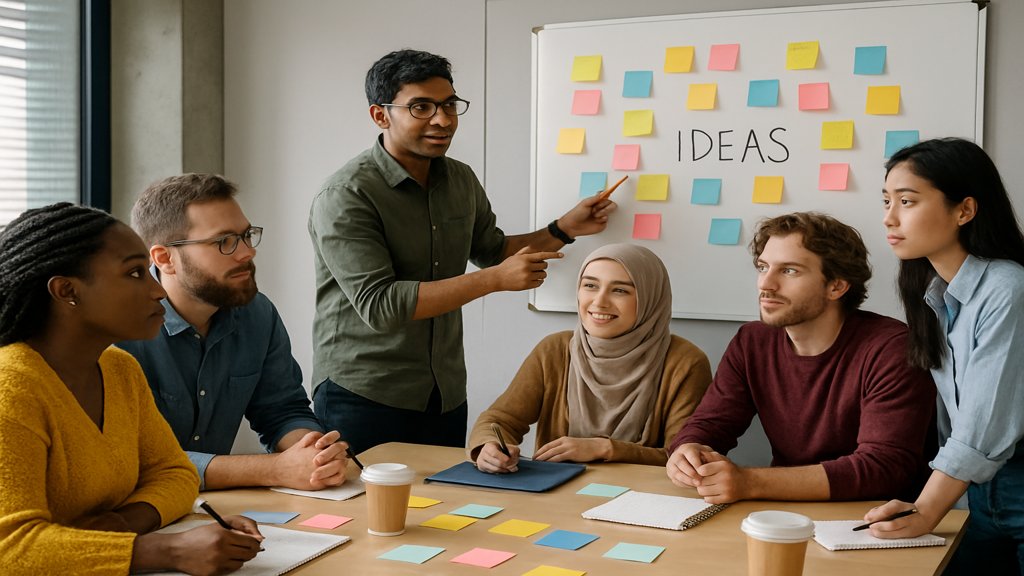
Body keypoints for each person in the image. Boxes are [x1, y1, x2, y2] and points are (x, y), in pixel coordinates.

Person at [308, 49, 617, 452]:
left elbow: (492, 250)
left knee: (442, 513)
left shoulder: (459, 178)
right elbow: (381, 305)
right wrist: (493, 281)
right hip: (363, 393)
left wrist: (563, 228)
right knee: (364, 514)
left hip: (444, 392)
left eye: (449, 104)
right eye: (421, 107)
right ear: (381, 116)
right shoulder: (346, 195)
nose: (442, 119)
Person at [0, 203, 263, 575]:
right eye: (136, 273)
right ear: (66, 291)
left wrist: (116, 530)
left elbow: (176, 474)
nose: (158, 291)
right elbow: (10, 550)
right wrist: (165, 551)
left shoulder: (118, 368)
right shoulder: (10, 387)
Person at [665, 212, 936, 504]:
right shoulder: (751, 342)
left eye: (789, 271)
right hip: (783, 509)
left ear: (836, 286)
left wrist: (750, 482)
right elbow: (711, 424)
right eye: (763, 267)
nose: (766, 284)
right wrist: (687, 449)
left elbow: (884, 467)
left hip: (876, 519)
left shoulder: (891, 348)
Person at [119, 174, 348, 491]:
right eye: (223, 242)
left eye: (246, 236)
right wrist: (274, 470)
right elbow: (130, 460)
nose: (246, 253)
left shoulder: (257, 314)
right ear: (164, 258)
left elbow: (281, 410)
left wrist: (311, 452)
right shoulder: (117, 334)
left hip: (217, 512)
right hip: (134, 518)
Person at [864, 138, 1024, 574]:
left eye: (907, 201)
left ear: (964, 210)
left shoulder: (1007, 288)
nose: (889, 217)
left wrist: (925, 509)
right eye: (886, 201)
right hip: (976, 493)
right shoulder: (936, 295)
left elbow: (982, 424)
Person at [469, 244, 711, 471]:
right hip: (557, 495)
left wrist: (604, 448)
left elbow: (683, 456)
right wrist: (488, 447)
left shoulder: (686, 362)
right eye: (590, 286)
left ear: (650, 298)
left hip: (643, 499)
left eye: (620, 290)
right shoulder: (555, 349)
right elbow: (500, 419)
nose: (599, 302)